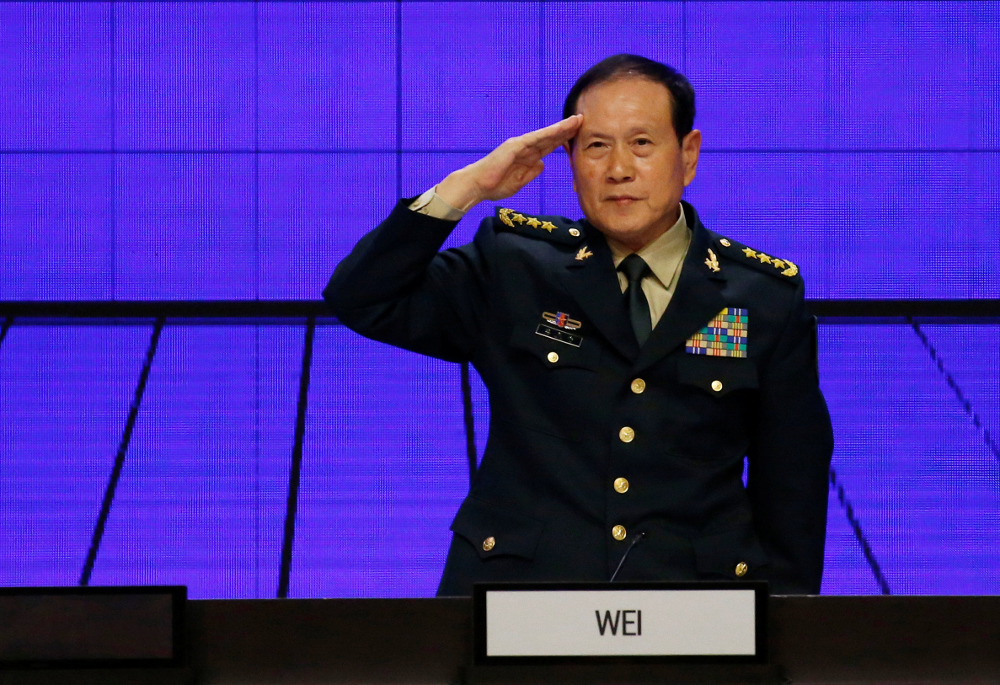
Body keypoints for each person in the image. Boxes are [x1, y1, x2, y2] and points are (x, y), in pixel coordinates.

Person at [324, 54, 834, 595]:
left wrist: (780, 629)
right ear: (568, 159)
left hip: (693, 608)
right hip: (518, 599)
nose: (619, 168)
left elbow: (793, 485)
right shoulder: (515, 264)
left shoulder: (762, 296)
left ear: (688, 154)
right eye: (596, 146)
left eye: (642, 143)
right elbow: (363, 298)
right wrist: (465, 189)